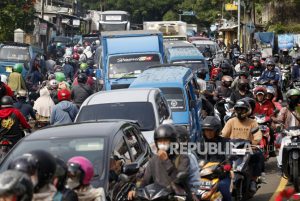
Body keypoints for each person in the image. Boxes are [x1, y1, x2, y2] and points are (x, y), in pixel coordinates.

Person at [127, 124, 190, 200]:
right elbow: (145, 181)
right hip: (158, 198)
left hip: (177, 197)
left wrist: (166, 161)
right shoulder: (154, 160)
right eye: (160, 141)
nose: (162, 144)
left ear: (172, 141)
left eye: (165, 141)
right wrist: (136, 191)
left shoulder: (182, 157)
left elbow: (179, 179)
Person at [221, 100, 263, 192]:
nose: (240, 112)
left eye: (242, 110)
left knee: (259, 155)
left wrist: (255, 143)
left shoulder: (252, 122)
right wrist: (222, 142)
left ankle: (253, 180)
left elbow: (258, 135)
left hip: (247, 148)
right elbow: (223, 134)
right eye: (238, 110)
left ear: (247, 110)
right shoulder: (231, 121)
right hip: (232, 148)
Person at [201, 116, 232, 201]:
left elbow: (229, 157)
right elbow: (196, 157)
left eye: (211, 130)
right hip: (204, 175)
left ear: (217, 130)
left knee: (223, 187)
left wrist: (226, 166)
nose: (208, 133)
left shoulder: (225, 142)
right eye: (206, 130)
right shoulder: (201, 143)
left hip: (221, 175)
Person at [174, 126, 200, 199]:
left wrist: (193, 193)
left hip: (184, 194)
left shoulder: (189, 156)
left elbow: (195, 178)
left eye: (180, 140)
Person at [276, 89, 300, 167]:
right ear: (288, 98)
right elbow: (280, 119)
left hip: (299, 133)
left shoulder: (299, 109)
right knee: (283, 145)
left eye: (296, 97)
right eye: (293, 97)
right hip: (287, 133)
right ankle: (281, 163)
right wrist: (279, 126)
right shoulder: (284, 109)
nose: (295, 99)